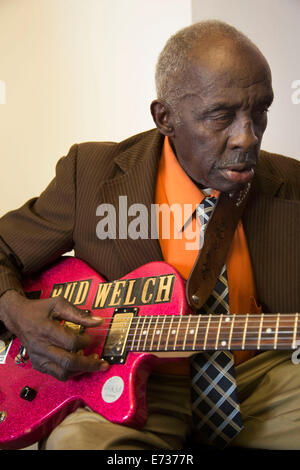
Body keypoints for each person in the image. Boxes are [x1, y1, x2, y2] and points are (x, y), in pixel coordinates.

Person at [0, 20, 300, 450]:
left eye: (261, 111)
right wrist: (15, 313)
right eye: (221, 116)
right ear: (165, 118)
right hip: (129, 388)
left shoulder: (292, 181)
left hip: (259, 378)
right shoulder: (91, 174)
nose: (248, 136)